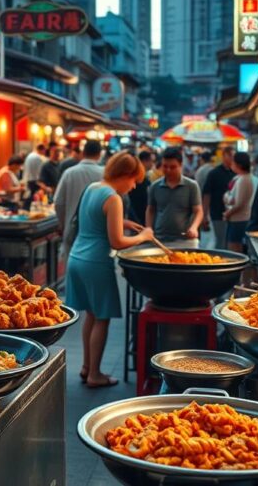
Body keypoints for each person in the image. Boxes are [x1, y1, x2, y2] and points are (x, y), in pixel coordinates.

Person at [66, 151, 154, 388]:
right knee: (102, 318)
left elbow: (92, 219)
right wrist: (144, 236)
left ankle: (86, 367)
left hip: (76, 258)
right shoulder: (113, 198)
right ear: (124, 175)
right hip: (95, 262)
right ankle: (95, 374)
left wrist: (122, 222)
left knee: (91, 315)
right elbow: (117, 242)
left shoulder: (93, 187)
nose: (134, 186)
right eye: (134, 180)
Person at [55, 140, 105, 258]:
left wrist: (63, 224)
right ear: (99, 154)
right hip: (98, 234)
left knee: (72, 268)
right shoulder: (104, 174)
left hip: (72, 232)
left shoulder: (69, 173)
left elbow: (58, 202)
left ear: (83, 152)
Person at [146, 147, 203, 246]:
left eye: (173, 167)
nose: (168, 170)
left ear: (181, 165)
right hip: (160, 239)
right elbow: (150, 209)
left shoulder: (191, 186)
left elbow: (198, 211)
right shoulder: (155, 186)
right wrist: (149, 228)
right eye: (165, 166)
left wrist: (194, 227)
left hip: (185, 240)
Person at [203, 146, 237, 249]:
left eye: (233, 156)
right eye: (230, 155)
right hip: (217, 212)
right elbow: (206, 194)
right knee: (221, 241)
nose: (232, 158)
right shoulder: (214, 173)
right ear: (223, 156)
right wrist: (205, 215)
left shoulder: (236, 173)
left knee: (231, 241)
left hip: (234, 213)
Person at [223, 152, 257, 253]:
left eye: (233, 161)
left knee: (235, 247)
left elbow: (239, 203)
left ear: (239, 164)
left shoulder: (244, 179)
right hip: (236, 218)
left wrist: (227, 213)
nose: (231, 163)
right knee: (233, 246)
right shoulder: (239, 178)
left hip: (239, 219)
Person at [127, 150, 153, 223]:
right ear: (144, 161)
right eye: (151, 161)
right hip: (138, 217)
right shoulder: (139, 178)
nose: (152, 164)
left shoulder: (142, 176)